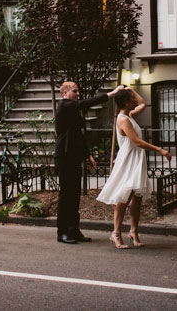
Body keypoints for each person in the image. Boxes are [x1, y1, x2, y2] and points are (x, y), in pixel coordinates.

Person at [97, 87, 171, 249]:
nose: (134, 101)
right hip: (128, 160)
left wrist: (130, 89)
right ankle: (116, 233)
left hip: (137, 160)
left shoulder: (129, 116)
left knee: (137, 197)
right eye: (131, 98)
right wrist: (160, 149)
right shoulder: (123, 119)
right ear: (125, 102)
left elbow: (143, 103)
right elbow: (137, 142)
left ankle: (134, 231)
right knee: (124, 197)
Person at [54, 81, 125, 244]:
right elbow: (86, 103)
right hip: (64, 157)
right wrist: (111, 94)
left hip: (73, 156)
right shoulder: (64, 105)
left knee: (74, 197)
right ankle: (62, 232)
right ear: (65, 93)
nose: (78, 94)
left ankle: (73, 230)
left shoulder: (71, 109)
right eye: (75, 91)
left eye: (78, 91)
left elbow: (78, 135)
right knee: (65, 196)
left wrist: (88, 155)